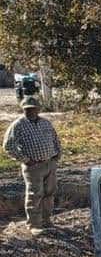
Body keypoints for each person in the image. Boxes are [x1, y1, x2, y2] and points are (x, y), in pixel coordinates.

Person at [3, 98, 61, 235]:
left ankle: (46, 220)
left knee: (49, 193)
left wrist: (57, 155)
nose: (30, 111)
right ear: (23, 109)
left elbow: (55, 139)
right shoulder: (18, 125)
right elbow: (8, 145)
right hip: (33, 167)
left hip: (50, 163)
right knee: (35, 194)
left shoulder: (46, 123)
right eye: (27, 109)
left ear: (38, 109)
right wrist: (25, 160)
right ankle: (34, 224)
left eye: (33, 108)